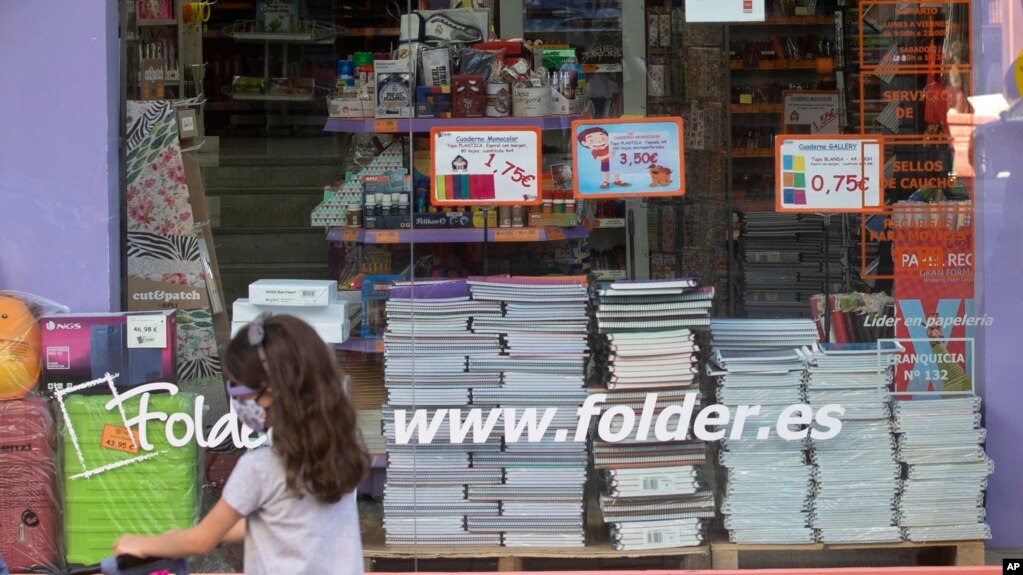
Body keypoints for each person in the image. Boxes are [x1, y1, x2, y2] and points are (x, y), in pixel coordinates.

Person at [113, 314, 370, 574]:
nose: (234, 397)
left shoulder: (260, 467)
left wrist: (143, 544)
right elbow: (289, 520)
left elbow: (200, 541)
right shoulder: (338, 455)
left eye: (236, 388)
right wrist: (213, 531)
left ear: (268, 393)